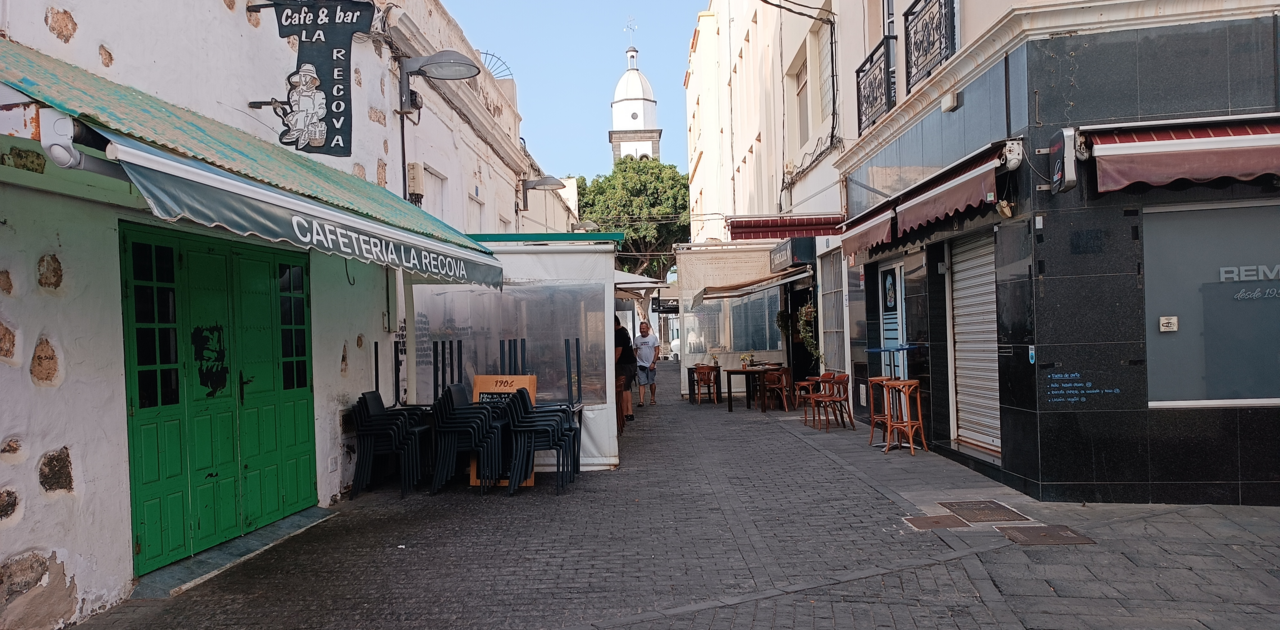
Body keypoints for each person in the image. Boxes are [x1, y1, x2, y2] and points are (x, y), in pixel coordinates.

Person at [614, 315, 636, 434]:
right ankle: (628, 412)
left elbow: (618, 352)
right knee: (626, 387)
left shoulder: (619, 334)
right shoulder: (624, 331)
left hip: (625, 364)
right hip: (630, 363)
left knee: (624, 388)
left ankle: (627, 412)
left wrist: (611, 366)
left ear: (615, 323)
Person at [633, 321, 661, 406]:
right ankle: (641, 401)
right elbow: (635, 350)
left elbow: (657, 351)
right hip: (640, 365)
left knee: (651, 382)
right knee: (641, 383)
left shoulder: (653, 338)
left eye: (644, 328)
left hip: (651, 364)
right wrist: (637, 360)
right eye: (641, 329)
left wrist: (653, 362)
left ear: (648, 329)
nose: (642, 330)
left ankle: (652, 398)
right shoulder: (637, 339)